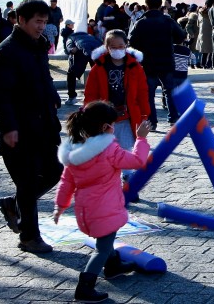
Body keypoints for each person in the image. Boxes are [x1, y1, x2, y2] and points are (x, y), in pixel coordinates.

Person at [54, 102, 151, 302]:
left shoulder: (74, 154)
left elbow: (66, 182)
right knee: (102, 248)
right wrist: (141, 138)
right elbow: (136, 161)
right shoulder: (109, 151)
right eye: (112, 124)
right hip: (105, 209)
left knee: (105, 240)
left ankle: (113, 266)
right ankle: (85, 287)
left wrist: (60, 206)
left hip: (86, 211)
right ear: (105, 127)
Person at [0, 0, 64, 254]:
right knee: (28, 181)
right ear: (21, 20)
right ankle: (29, 237)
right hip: (19, 131)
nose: (42, 27)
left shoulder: (39, 46)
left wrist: (54, 99)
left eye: (45, 22)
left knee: (54, 171)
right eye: (37, 22)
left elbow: (44, 79)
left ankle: (14, 205)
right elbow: (0, 94)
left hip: (43, 127)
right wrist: (9, 128)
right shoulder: (8, 50)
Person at [84, 29, 149, 157]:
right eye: (113, 47)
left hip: (127, 114)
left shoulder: (135, 67)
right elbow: (90, 92)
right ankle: (108, 173)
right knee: (106, 147)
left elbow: (143, 92)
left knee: (126, 145)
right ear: (106, 47)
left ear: (126, 45)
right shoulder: (98, 67)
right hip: (105, 116)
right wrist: (89, 111)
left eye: (120, 46)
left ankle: (127, 172)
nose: (117, 50)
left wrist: (145, 114)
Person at [129, 0, 187, 129]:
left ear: (146, 5)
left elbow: (131, 41)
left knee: (149, 93)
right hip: (166, 60)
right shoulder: (168, 20)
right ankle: (173, 118)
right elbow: (181, 36)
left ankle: (152, 122)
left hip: (148, 62)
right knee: (170, 90)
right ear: (161, 5)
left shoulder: (141, 22)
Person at [195, 6, 213, 71]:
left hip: (202, 33)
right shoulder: (210, 12)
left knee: (204, 52)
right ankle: (209, 64)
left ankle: (203, 64)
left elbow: (197, 24)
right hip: (210, 33)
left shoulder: (200, 13)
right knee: (211, 51)